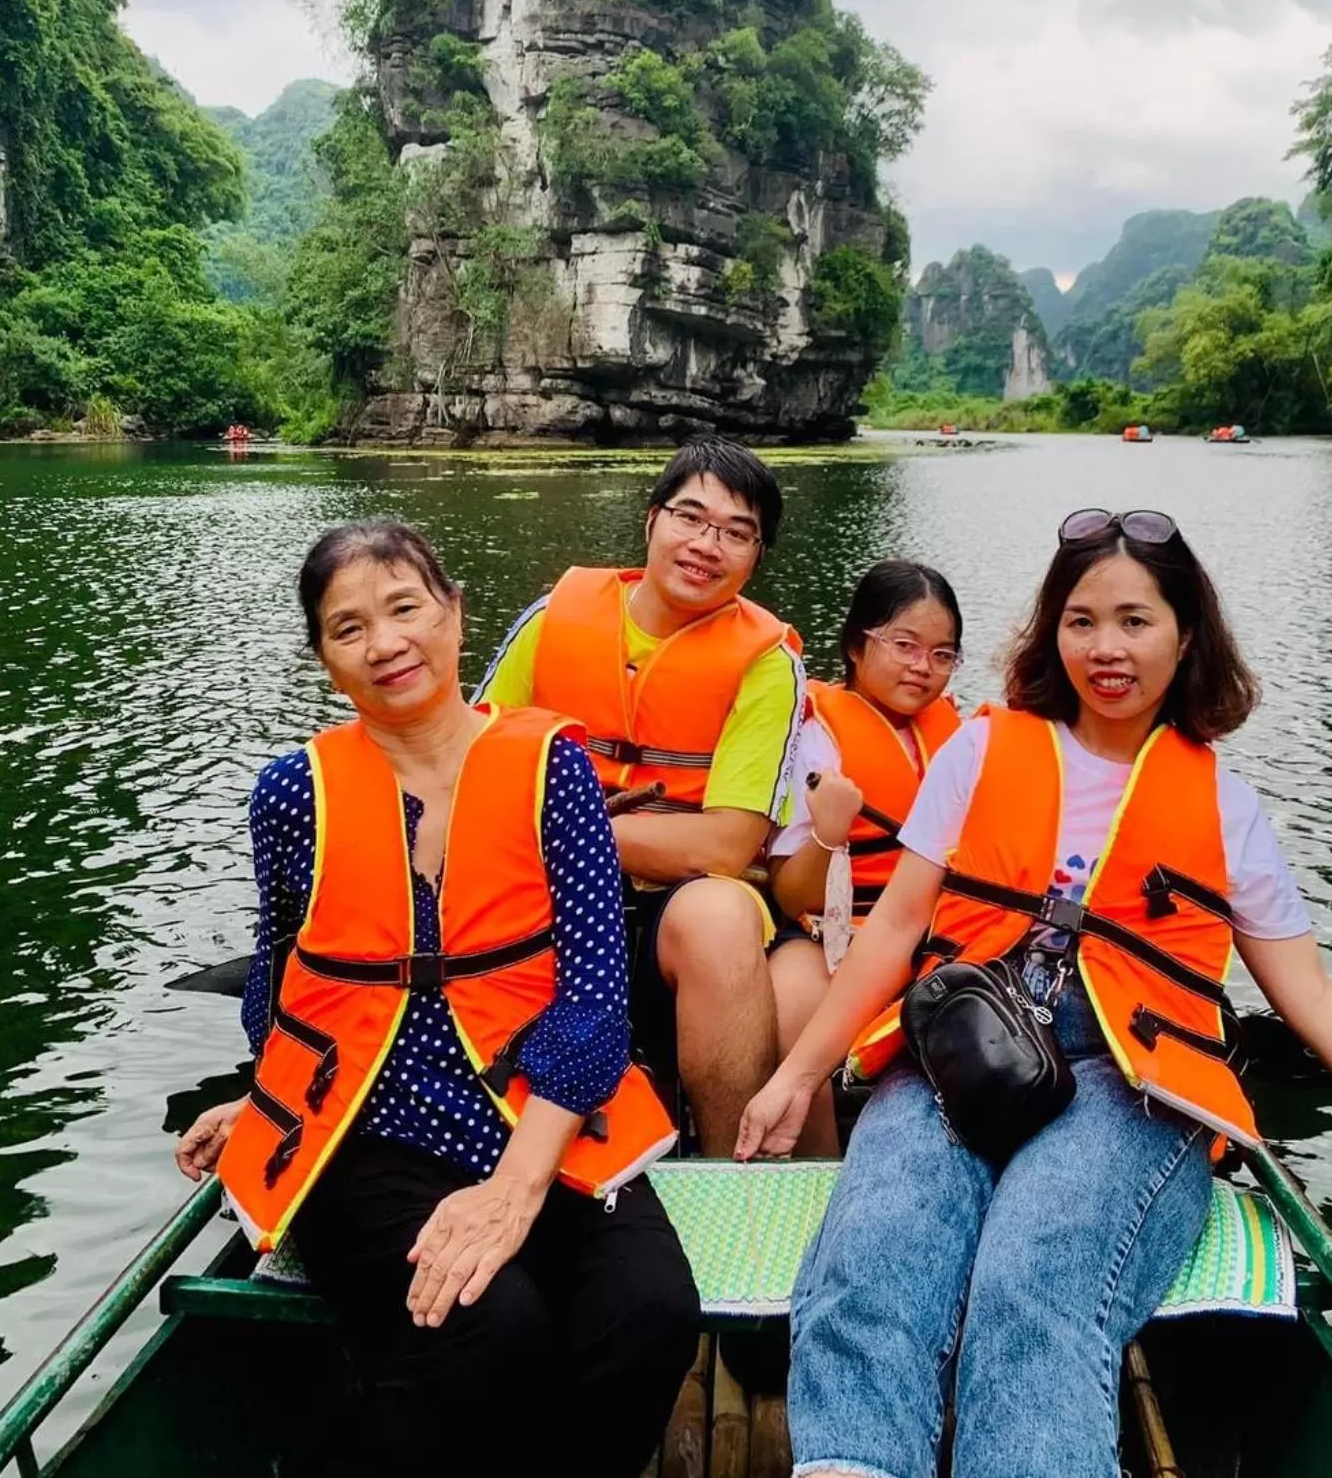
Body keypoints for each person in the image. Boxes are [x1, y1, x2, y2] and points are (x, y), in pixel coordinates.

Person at [737, 507, 1332, 1478]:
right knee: (873, 1255)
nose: (1107, 646)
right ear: (1053, 629)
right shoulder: (983, 748)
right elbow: (892, 929)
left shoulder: (1224, 805)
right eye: (1082, 619)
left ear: (1186, 634)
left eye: (1135, 620)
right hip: (966, 1048)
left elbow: (1311, 996)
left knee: (1035, 1281)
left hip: (1133, 1085)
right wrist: (800, 1072)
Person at [174, 518, 697, 1478]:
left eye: (404, 607)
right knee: (488, 1323)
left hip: (539, 1100)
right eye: (348, 626)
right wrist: (265, 1093)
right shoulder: (295, 792)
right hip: (367, 1121)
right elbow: (282, 971)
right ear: (326, 658)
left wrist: (516, 1185)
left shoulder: (552, 771)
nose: (385, 643)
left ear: (455, 614)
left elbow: (592, 1000)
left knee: (652, 1311)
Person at [478, 439, 804, 1155]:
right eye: (690, 517)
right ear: (652, 520)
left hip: (671, 905)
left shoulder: (767, 662)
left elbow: (725, 845)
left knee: (720, 916)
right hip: (538, 888)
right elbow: (473, 766)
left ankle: (729, 1169)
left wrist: (568, 828)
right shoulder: (553, 618)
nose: (706, 544)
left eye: (736, 532)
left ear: (756, 556)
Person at [767, 562, 963, 1152]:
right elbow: (791, 896)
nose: (921, 667)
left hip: (945, 934)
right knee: (794, 996)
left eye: (941, 654)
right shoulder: (817, 738)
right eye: (904, 645)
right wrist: (828, 832)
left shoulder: (963, 737)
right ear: (857, 645)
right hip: (840, 933)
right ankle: (819, 1161)